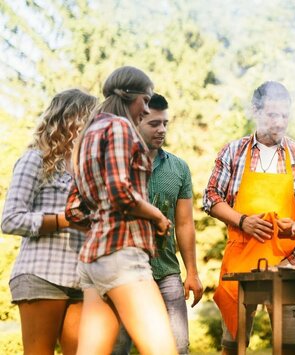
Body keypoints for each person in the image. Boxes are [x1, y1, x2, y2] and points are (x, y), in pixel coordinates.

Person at [65, 66, 178, 355]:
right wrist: (157, 215)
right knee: (164, 351)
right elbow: (120, 192)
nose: (146, 108)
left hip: (94, 259)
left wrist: (103, 220)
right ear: (131, 97)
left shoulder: (87, 134)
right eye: (146, 100)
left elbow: (74, 210)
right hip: (122, 255)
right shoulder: (119, 127)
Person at [203, 81, 295, 355]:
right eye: (272, 115)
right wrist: (243, 221)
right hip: (241, 258)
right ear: (255, 112)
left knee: (290, 346)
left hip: (286, 260)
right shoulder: (233, 152)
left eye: (284, 115)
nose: (279, 122)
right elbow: (211, 197)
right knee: (233, 345)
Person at [1, 89, 97, 355]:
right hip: (41, 274)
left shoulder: (86, 168)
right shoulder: (35, 160)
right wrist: (65, 221)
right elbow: (10, 220)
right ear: (72, 120)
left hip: (82, 278)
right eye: (92, 119)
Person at [111, 93, 203, 355]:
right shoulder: (119, 164)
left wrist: (193, 272)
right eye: (154, 124)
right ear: (137, 121)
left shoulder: (179, 168)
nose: (162, 130)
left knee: (178, 347)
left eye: (165, 123)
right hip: (124, 273)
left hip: (166, 273)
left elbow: (185, 224)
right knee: (118, 347)